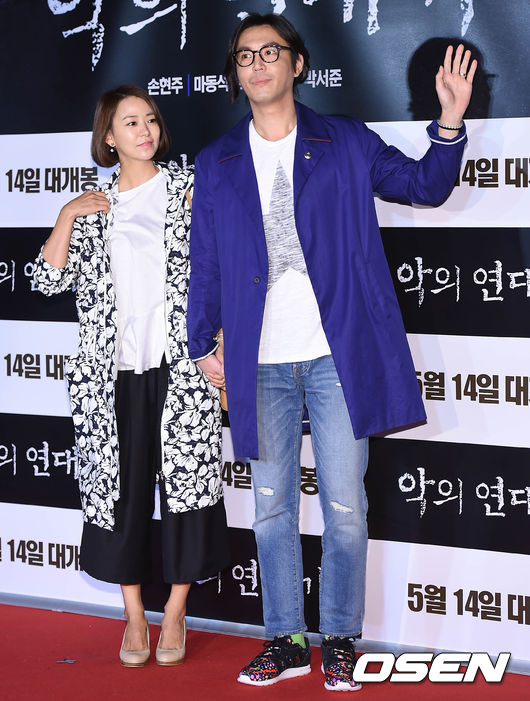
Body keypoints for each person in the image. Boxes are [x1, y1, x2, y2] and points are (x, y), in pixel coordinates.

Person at [187, 12, 476, 692]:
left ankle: (341, 638)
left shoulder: (343, 140)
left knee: (345, 508)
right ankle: (285, 639)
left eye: (271, 52)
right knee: (271, 509)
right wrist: (202, 341)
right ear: (235, 75)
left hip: (336, 356)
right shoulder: (217, 160)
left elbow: (423, 186)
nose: (257, 64)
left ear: (297, 64)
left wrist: (449, 122)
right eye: (245, 56)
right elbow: (206, 260)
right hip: (258, 361)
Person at [33, 85, 229, 668]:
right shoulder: (93, 209)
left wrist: (220, 342)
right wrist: (67, 215)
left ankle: (176, 613)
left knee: (189, 490)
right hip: (110, 377)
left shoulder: (188, 188)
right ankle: (135, 616)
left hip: (182, 368)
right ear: (109, 137)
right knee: (120, 496)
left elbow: (223, 268)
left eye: (150, 120)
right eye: (130, 122)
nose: (145, 131)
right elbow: (46, 281)